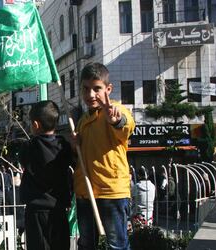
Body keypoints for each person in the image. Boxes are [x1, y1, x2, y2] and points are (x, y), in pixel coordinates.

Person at [74, 62, 135, 250]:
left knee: (117, 245)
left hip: (112, 192)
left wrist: (116, 121)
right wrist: (74, 144)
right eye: (86, 89)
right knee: (86, 244)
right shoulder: (83, 120)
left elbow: (126, 127)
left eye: (97, 89)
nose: (90, 95)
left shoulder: (116, 110)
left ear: (108, 89)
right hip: (86, 193)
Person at [19, 100, 74, 250]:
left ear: (36, 125)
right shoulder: (64, 146)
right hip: (58, 208)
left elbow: (23, 161)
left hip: (36, 209)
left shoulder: (29, 147)